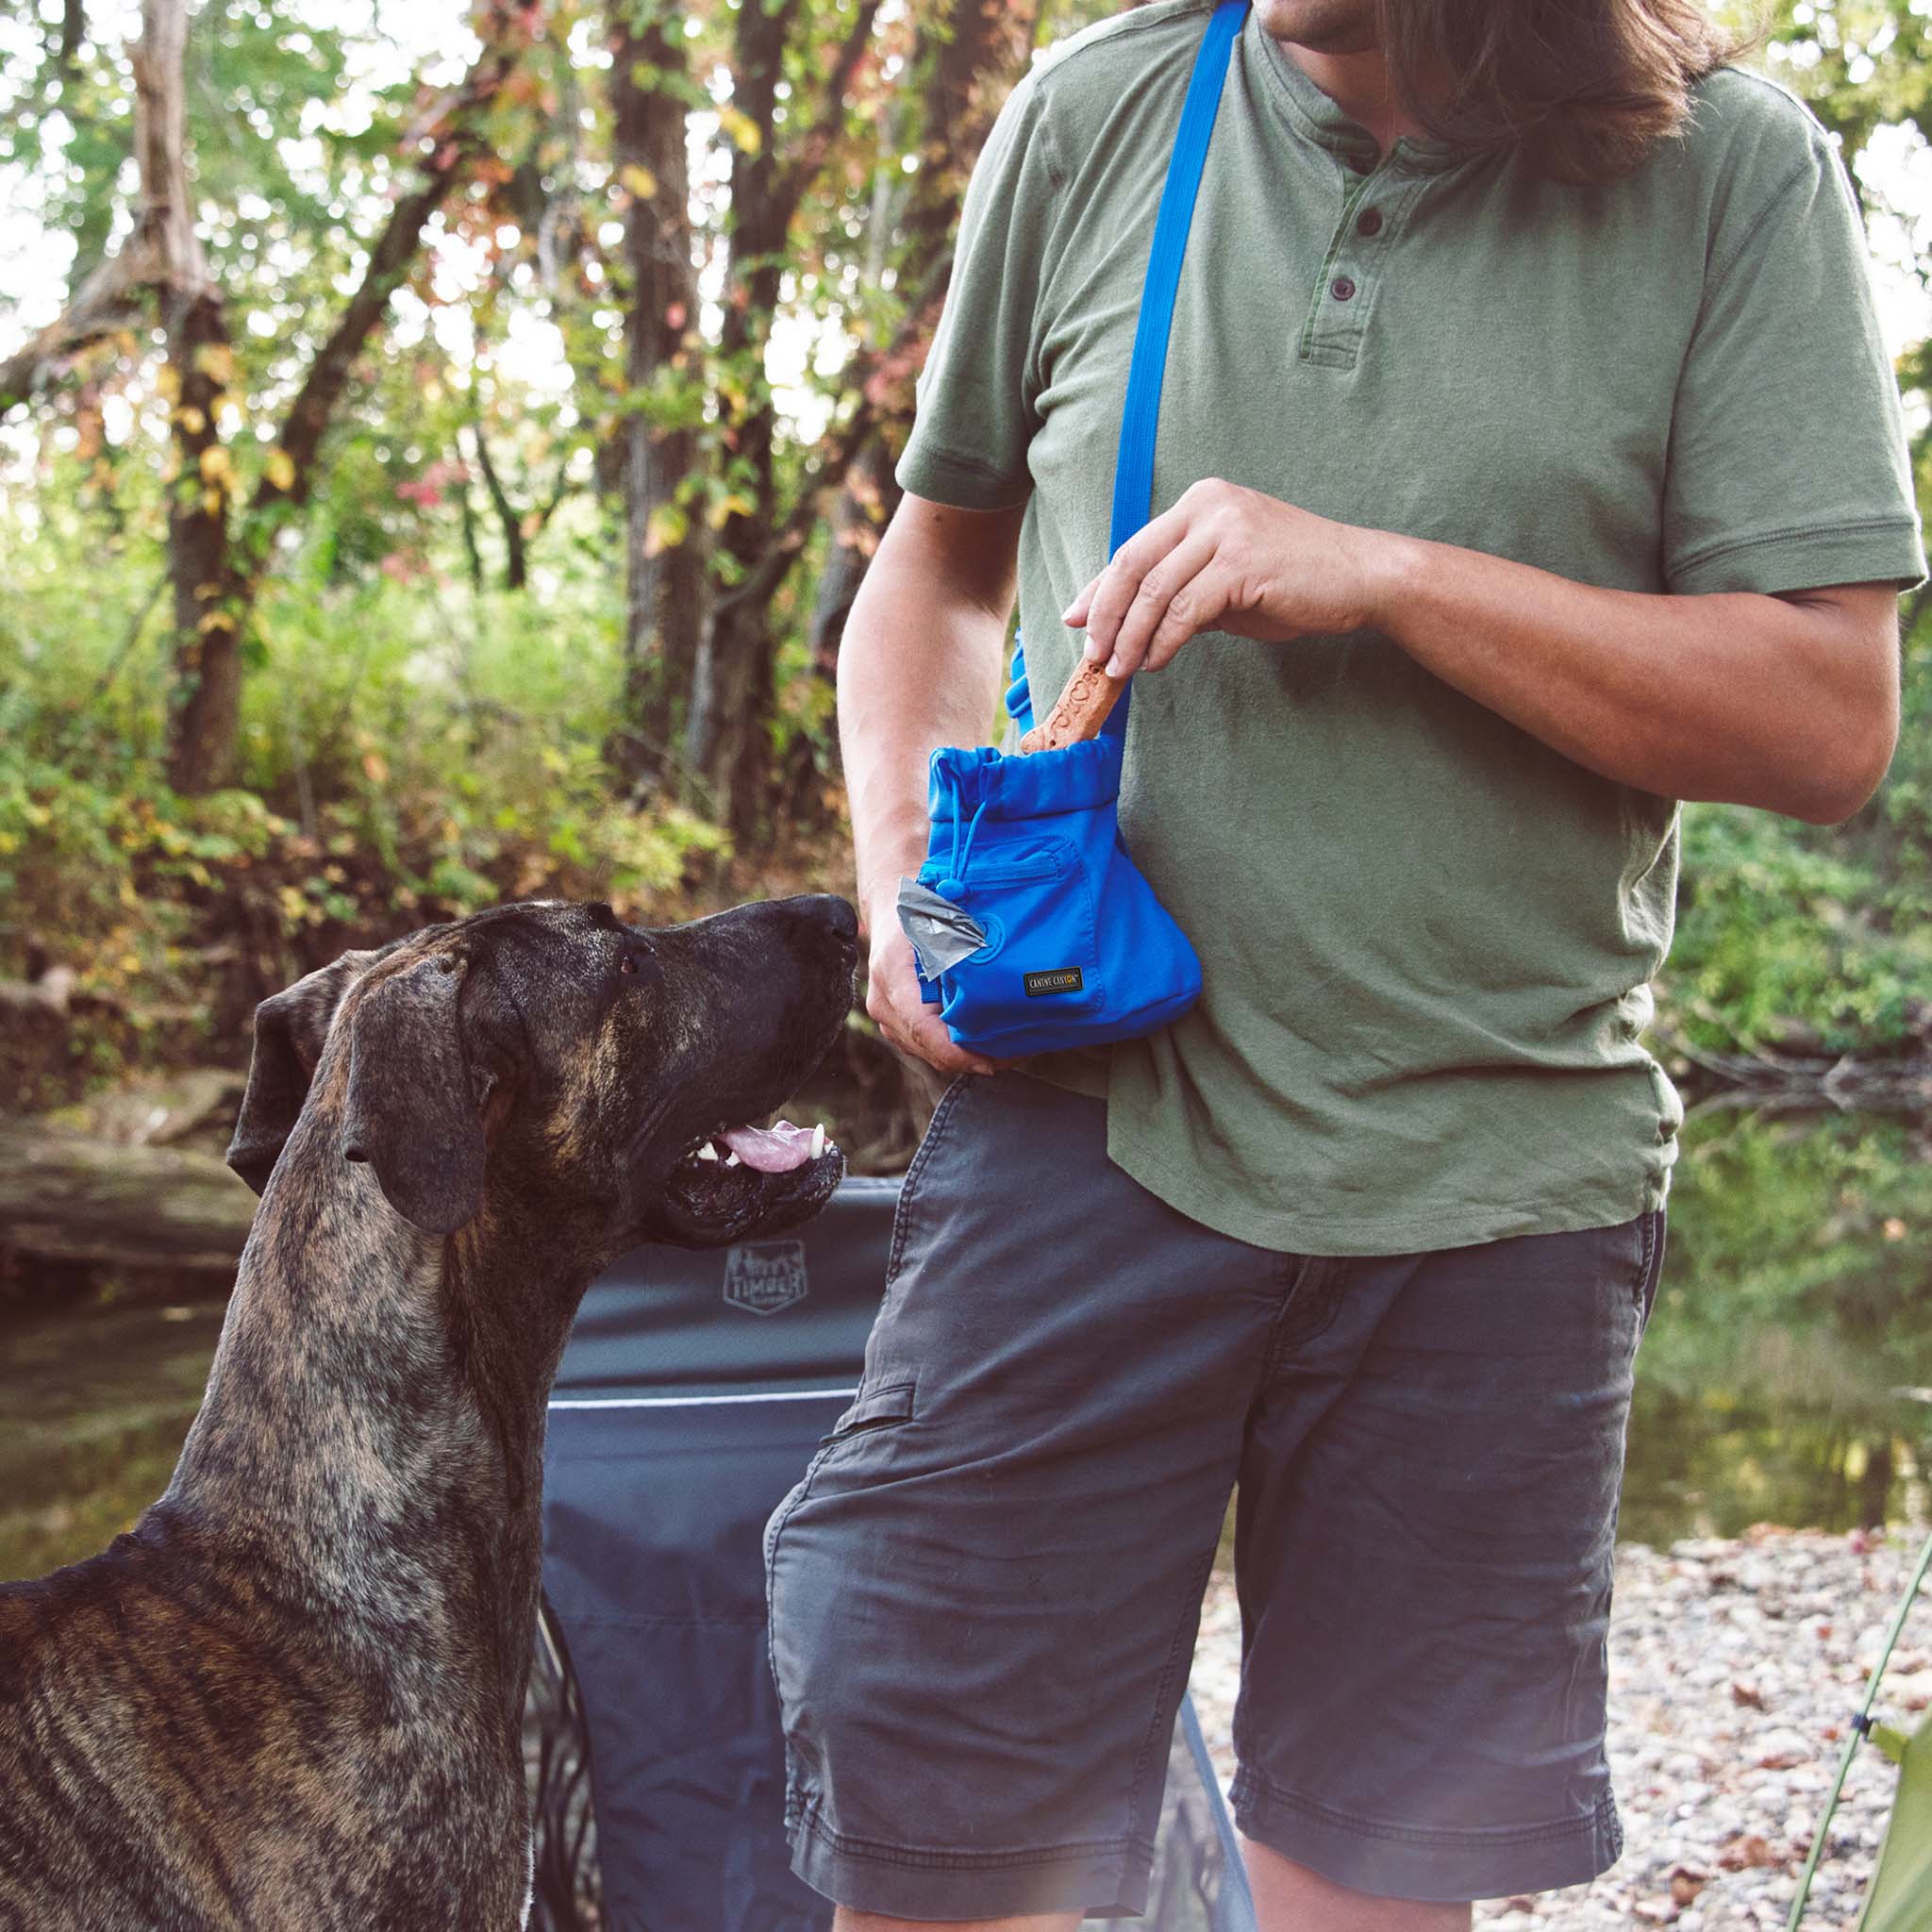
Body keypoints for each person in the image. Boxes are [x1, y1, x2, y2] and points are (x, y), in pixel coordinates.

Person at [763, 0, 1928, 1925]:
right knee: (945, 1877)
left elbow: (1825, 721)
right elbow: (937, 571)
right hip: (1074, 1135)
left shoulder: (1736, 174)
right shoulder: (1096, 115)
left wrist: (1388, 576)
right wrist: (900, 895)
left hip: (1491, 1181)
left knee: (1371, 1894)